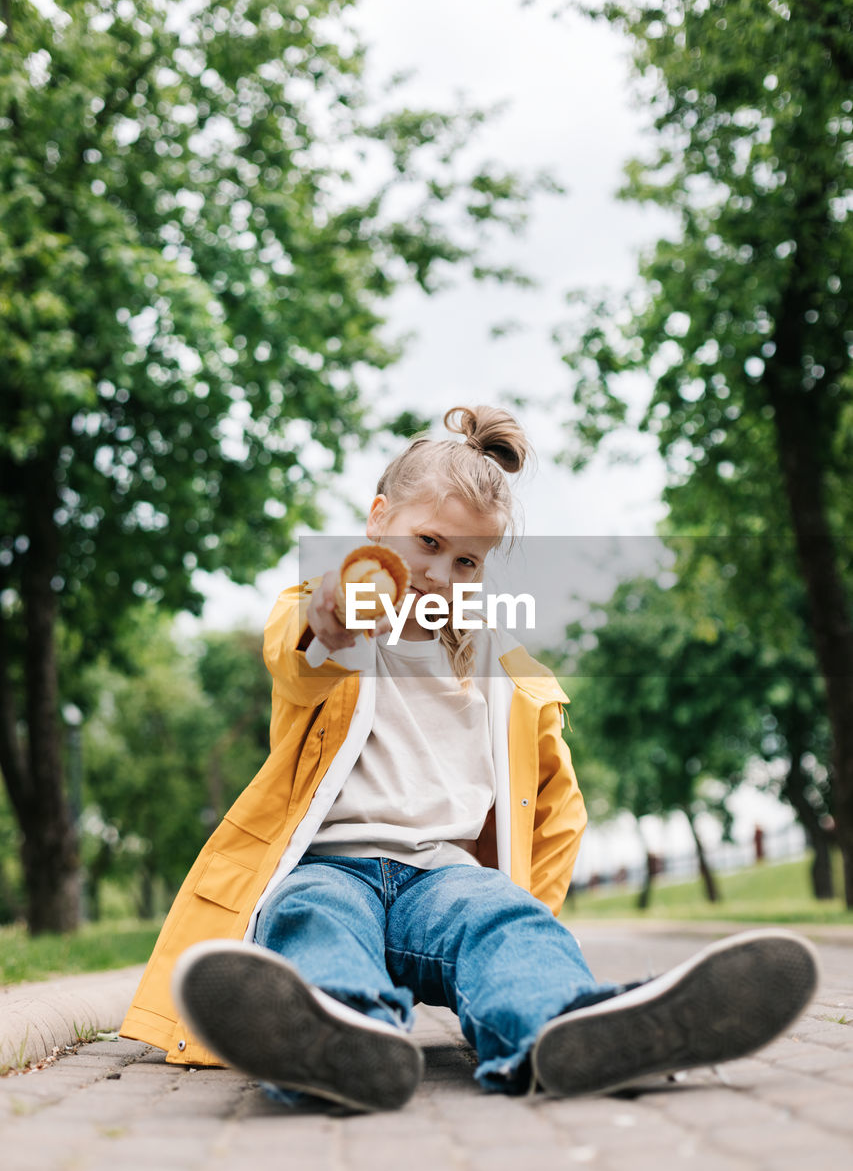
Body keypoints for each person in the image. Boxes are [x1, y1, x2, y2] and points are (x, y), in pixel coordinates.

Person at [121, 405, 819, 1111]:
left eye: (465, 561)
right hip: (331, 867)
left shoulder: (508, 674)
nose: (438, 573)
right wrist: (331, 615)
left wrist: (524, 911)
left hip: (441, 881)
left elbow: (555, 816)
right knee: (307, 917)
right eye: (426, 542)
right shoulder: (331, 615)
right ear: (376, 519)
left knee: (502, 923)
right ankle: (341, 1040)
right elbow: (300, 657)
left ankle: (568, 1027)